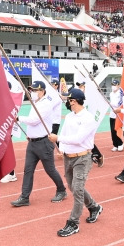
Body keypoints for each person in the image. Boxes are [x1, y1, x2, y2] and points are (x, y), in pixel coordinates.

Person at [48, 88, 102, 237]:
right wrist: (61, 149)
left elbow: (78, 139)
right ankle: (94, 207)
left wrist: (57, 139)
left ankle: (73, 223)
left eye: (69, 100)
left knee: (77, 189)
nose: (67, 102)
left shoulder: (88, 118)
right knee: (73, 188)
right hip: (68, 157)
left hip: (82, 158)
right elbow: (65, 134)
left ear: (74, 101)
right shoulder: (70, 116)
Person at [10, 81, 67, 207]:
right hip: (32, 143)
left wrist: (19, 118)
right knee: (28, 170)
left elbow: (35, 120)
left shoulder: (46, 104)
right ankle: (24, 197)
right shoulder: (36, 103)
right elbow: (35, 123)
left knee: (50, 169)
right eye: (31, 90)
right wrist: (30, 134)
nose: (33, 93)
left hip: (44, 143)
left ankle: (62, 190)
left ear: (42, 91)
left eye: (35, 90)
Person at [109, 79, 124, 152]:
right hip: (112, 114)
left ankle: (120, 143)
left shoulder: (120, 93)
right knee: (112, 131)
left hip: (118, 114)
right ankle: (115, 145)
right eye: (112, 85)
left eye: (114, 85)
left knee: (116, 129)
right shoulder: (111, 93)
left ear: (118, 85)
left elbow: (119, 104)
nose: (113, 86)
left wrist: (111, 103)